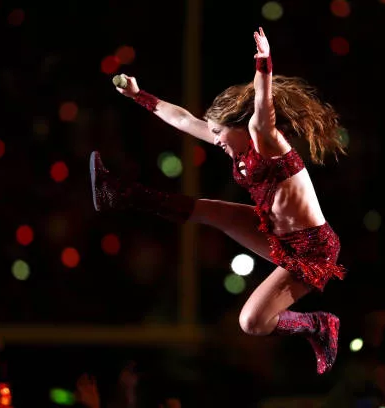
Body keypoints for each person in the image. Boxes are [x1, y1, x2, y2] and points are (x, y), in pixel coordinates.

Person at [91, 27, 347, 375]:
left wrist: (264, 66)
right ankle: (118, 192)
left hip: (313, 249)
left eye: (219, 133)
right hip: (277, 232)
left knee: (252, 322)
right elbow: (183, 119)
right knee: (211, 210)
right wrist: (140, 96)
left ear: (239, 125)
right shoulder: (235, 145)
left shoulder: (264, 139)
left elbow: (262, 105)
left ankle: (318, 325)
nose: (216, 141)